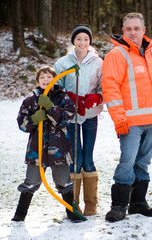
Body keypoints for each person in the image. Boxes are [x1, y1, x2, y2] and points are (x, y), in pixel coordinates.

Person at [101, 12, 152, 222]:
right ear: (123, 31)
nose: (133, 32)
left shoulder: (151, 55)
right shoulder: (117, 55)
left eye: (136, 28)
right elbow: (110, 88)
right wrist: (119, 118)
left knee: (143, 163)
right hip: (130, 123)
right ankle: (119, 206)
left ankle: (138, 203)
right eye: (128, 29)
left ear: (143, 30)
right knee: (127, 162)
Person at [12, 66, 81, 222]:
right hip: (37, 150)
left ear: (55, 79)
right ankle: (20, 214)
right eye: (42, 77)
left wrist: (50, 107)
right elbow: (22, 124)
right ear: (37, 81)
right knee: (31, 182)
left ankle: (72, 212)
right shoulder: (30, 99)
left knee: (64, 181)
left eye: (49, 77)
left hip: (59, 150)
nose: (45, 80)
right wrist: (34, 120)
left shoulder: (63, 98)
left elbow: (67, 117)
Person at [53, 24, 104, 216]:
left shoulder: (98, 62)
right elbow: (55, 88)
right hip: (71, 116)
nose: (83, 42)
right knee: (75, 161)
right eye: (79, 39)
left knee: (88, 160)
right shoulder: (63, 63)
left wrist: (96, 98)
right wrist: (69, 97)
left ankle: (91, 204)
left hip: (90, 115)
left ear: (90, 41)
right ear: (73, 41)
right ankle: (73, 204)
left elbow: (104, 87)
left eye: (86, 39)